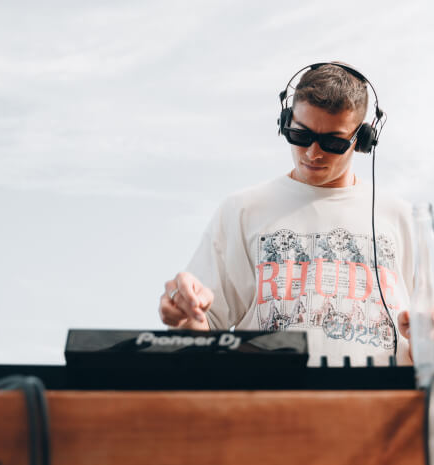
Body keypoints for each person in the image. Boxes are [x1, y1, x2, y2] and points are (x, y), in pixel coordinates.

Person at [158, 62, 413, 366]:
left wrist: (429, 341)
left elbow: (427, 340)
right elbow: (203, 333)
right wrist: (185, 316)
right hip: (268, 395)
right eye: (300, 135)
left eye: (333, 143)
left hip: (383, 396)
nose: (313, 153)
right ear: (285, 121)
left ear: (363, 139)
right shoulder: (242, 210)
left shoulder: (400, 217)